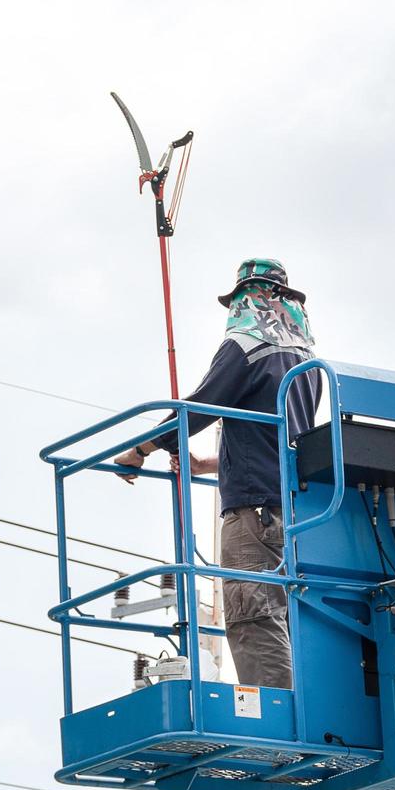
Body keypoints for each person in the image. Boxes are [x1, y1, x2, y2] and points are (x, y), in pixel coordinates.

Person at [114, 258, 321, 690]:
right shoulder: (307, 361)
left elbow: (199, 407)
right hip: (300, 509)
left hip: (255, 514)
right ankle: (304, 711)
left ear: (247, 299)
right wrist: (206, 465)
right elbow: (279, 434)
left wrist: (139, 450)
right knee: (292, 618)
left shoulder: (245, 346)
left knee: (253, 616)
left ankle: (276, 717)